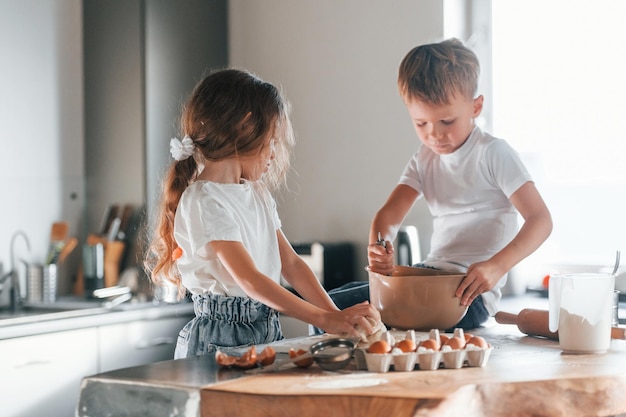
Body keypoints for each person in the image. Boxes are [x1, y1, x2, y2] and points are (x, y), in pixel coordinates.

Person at [145, 68, 380, 358]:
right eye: (272, 140)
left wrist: (335, 318)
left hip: (266, 330)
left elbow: (291, 264)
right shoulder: (204, 200)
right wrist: (323, 319)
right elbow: (250, 280)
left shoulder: (256, 193)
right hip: (220, 340)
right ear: (245, 126)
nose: (273, 153)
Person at [334, 38, 553, 330]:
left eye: (446, 121)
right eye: (421, 124)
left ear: (476, 107)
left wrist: (497, 266)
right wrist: (380, 248)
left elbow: (541, 220)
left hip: (469, 294)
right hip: (429, 276)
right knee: (331, 302)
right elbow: (388, 217)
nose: (434, 135)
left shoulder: (492, 153)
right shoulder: (424, 159)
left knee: (344, 310)